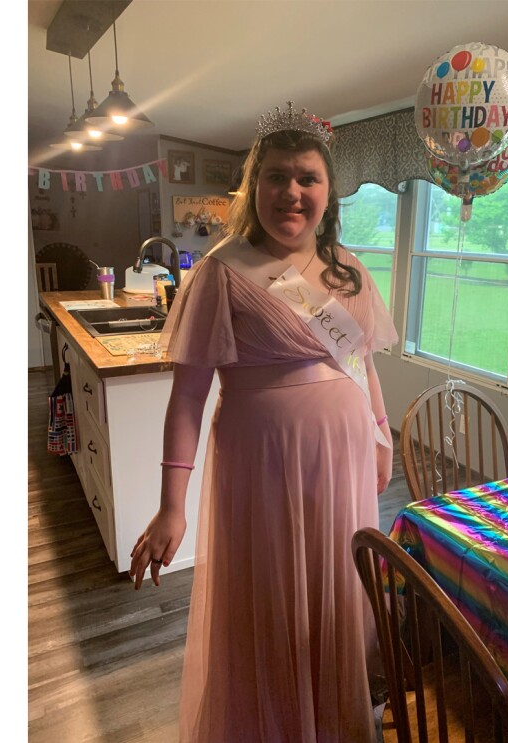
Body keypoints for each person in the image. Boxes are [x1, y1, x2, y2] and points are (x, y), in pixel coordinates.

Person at [129, 101, 397, 743]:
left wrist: (381, 434)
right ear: (255, 187)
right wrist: (172, 506)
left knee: (335, 596)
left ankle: (331, 720)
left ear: (328, 193)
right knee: (271, 604)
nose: (292, 192)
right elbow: (188, 399)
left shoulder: (347, 269)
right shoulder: (225, 270)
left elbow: (361, 365)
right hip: (264, 468)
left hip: (345, 465)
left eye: (308, 177)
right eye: (277, 176)